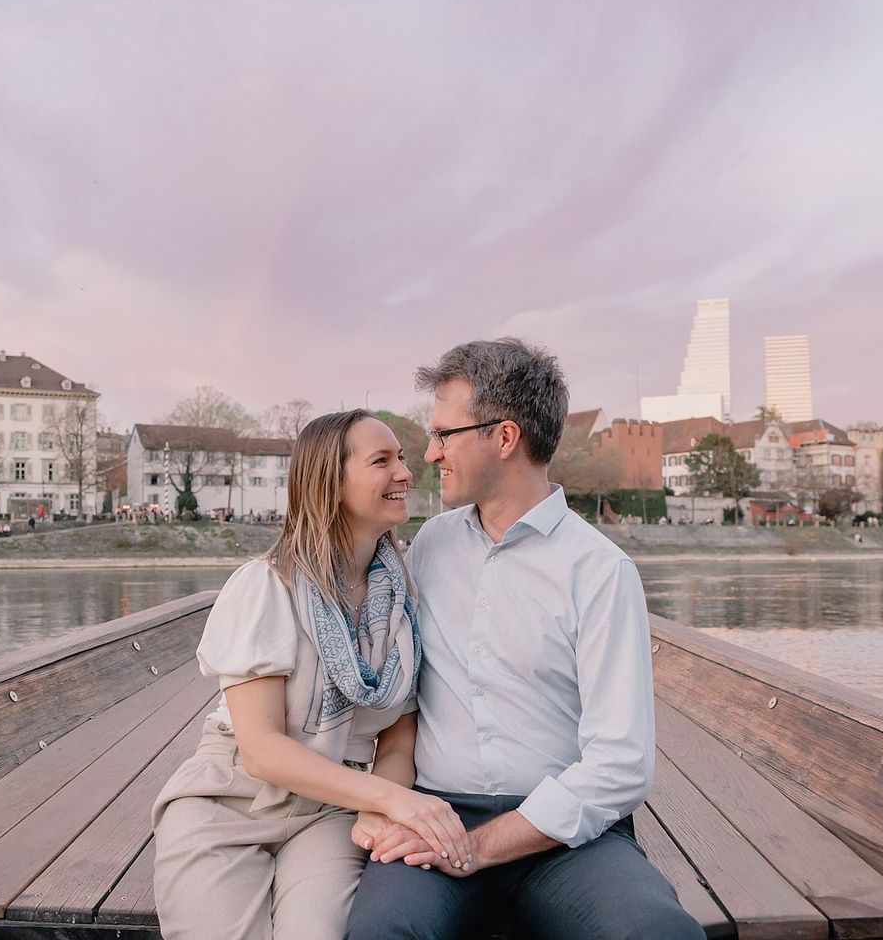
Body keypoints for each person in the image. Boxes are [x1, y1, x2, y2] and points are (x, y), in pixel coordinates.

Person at [347, 339, 704, 940]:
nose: (430, 454)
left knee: (656, 934)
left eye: (444, 435)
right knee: (382, 934)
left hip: (568, 837)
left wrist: (482, 847)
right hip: (438, 814)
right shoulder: (428, 547)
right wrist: (387, 804)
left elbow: (620, 764)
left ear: (505, 437)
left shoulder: (600, 571)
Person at [151, 410, 472, 940]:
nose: (406, 472)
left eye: (403, 458)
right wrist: (393, 800)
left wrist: (379, 806)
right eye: (382, 461)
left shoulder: (403, 599)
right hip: (233, 797)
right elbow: (262, 749)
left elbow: (399, 734)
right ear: (330, 482)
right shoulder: (267, 586)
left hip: (331, 809)